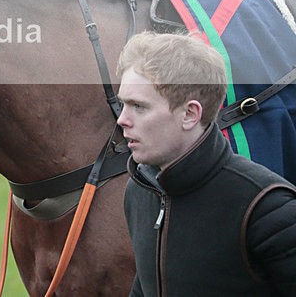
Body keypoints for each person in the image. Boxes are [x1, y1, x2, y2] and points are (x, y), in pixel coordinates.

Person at [115, 32, 296, 296]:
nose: (122, 120)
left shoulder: (267, 208)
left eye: (138, 107)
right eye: (123, 104)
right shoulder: (138, 191)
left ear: (189, 114)